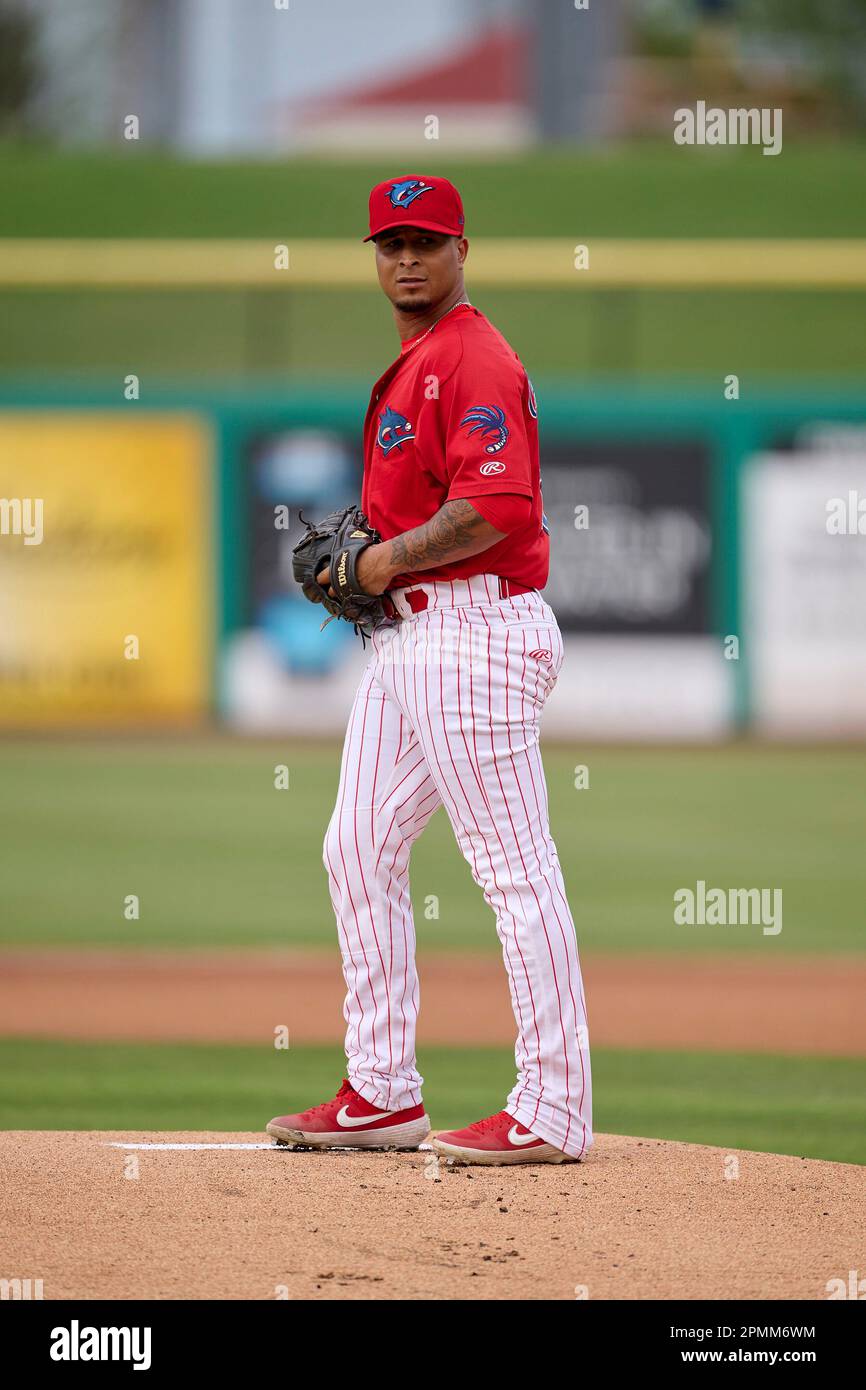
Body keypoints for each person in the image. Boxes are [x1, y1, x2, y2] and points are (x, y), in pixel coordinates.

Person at [267, 175, 592, 1165]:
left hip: (473, 634)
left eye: (425, 240)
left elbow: (496, 506)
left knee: (512, 871)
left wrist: (375, 561)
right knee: (355, 847)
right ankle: (380, 1091)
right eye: (388, 242)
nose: (405, 258)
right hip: (409, 642)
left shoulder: (472, 359)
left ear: (460, 249)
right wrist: (381, 567)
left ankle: (553, 1105)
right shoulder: (417, 361)